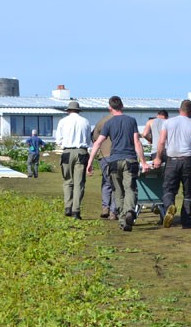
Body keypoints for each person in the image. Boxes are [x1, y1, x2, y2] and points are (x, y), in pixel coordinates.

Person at [87, 96, 149, 232]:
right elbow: (137, 142)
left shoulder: (108, 123)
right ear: (122, 106)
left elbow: (97, 143)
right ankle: (130, 211)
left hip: (114, 160)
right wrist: (143, 162)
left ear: (110, 108)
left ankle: (123, 219)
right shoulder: (131, 121)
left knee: (118, 191)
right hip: (130, 159)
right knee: (130, 188)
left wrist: (90, 163)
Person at [152, 99, 191, 229]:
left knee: (168, 188)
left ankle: (170, 205)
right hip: (188, 161)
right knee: (188, 192)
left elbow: (162, 142)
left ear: (179, 109)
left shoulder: (168, 123)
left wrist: (158, 157)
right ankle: (186, 222)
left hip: (172, 160)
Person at [54, 99, 91, 219]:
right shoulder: (85, 121)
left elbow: (58, 140)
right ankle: (76, 210)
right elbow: (88, 140)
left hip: (67, 152)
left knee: (68, 180)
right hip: (81, 151)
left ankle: (67, 206)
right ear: (78, 110)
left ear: (68, 110)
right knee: (79, 183)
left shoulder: (63, 121)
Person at [92, 112, 116, 218]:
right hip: (118, 155)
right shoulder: (123, 120)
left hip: (104, 156)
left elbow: (94, 138)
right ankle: (113, 212)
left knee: (106, 182)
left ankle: (105, 207)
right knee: (116, 183)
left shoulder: (101, 121)